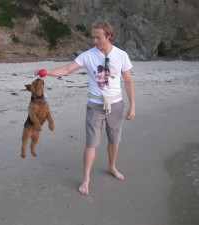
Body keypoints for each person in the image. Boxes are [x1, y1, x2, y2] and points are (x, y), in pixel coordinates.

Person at [35, 20, 135, 195]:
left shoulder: (121, 55)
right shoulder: (87, 55)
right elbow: (67, 69)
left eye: (99, 37)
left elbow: (128, 81)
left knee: (114, 140)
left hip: (116, 104)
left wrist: (132, 105)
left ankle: (112, 166)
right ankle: (86, 178)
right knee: (91, 143)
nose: (95, 41)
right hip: (95, 105)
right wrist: (49, 72)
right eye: (93, 37)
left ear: (109, 36)